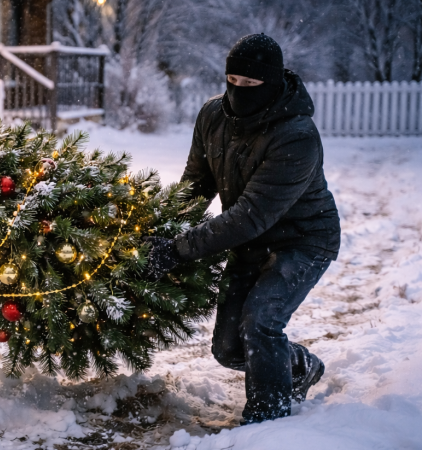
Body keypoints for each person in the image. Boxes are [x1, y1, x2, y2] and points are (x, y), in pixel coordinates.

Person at [143, 33, 341, 424]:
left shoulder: (296, 136)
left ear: (272, 83)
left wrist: (178, 250)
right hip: (250, 241)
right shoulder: (212, 116)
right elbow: (196, 185)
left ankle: (268, 418)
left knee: (261, 321)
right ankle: (299, 367)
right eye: (232, 80)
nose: (239, 91)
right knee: (228, 348)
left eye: (250, 83)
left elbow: (250, 215)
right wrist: (162, 229)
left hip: (303, 240)